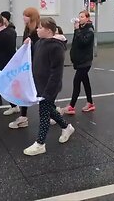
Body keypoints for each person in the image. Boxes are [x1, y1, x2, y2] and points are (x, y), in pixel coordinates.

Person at [23, 17, 74, 156]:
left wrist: (48, 92)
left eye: (40, 28)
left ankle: (40, 143)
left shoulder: (56, 47)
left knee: (44, 113)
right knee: (50, 109)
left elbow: (56, 73)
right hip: (39, 85)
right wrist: (29, 44)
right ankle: (66, 127)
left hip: (49, 87)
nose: (37, 30)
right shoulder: (40, 42)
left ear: (49, 31)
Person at [7, 7, 41, 129]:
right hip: (27, 64)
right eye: (23, 15)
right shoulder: (27, 28)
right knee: (24, 89)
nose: (23, 17)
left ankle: (52, 113)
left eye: (26, 15)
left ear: (31, 17)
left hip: (36, 64)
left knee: (39, 90)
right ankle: (23, 117)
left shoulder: (38, 30)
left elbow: (40, 46)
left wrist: (31, 42)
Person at [59, 10, 95, 115]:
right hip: (79, 60)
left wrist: (77, 30)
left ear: (87, 18)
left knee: (76, 82)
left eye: (82, 17)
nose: (80, 18)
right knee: (85, 82)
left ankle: (71, 106)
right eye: (79, 16)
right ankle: (90, 103)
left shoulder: (89, 30)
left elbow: (83, 42)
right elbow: (76, 43)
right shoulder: (81, 29)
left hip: (85, 61)